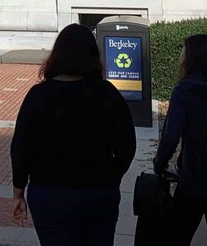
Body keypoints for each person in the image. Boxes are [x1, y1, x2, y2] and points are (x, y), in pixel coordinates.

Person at [11, 24, 135, 246]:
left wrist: (19, 190)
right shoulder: (108, 94)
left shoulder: (39, 96)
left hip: (50, 192)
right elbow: (127, 146)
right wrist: (112, 175)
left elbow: (21, 148)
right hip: (98, 191)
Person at [153, 34, 207, 246]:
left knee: (177, 236)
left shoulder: (184, 91)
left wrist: (159, 164)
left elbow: (171, 135)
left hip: (193, 177)